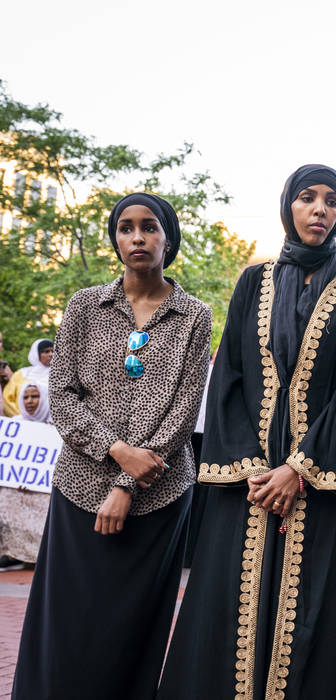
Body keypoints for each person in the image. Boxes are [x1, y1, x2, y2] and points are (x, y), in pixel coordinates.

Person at [158, 165, 336, 700]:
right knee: (232, 609)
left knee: (311, 620)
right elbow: (228, 377)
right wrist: (255, 468)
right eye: (308, 198)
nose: (321, 210)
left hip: (323, 482)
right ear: (288, 206)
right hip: (248, 483)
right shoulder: (253, 280)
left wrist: (298, 469)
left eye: (332, 200)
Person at [12, 192, 211, 699]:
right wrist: (117, 453)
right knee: (69, 618)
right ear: (115, 239)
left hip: (159, 493)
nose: (137, 237)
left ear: (169, 237)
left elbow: (184, 409)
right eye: (126, 228)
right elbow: (65, 393)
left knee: (131, 625)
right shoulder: (85, 305)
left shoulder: (195, 315)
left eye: (149, 227)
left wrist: (127, 484)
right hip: (80, 486)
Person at [0, 383, 54, 568]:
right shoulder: (14, 423)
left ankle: (39, 553)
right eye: (26, 397)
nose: (30, 401)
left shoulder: (54, 426)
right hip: (16, 486)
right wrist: (18, 479)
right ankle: (13, 553)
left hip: (45, 489)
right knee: (7, 496)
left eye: (35, 396)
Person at [2, 338, 53, 417]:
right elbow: (7, 398)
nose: (51, 354)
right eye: (46, 351)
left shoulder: (61, 377)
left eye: (53, 351)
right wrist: (24, 418)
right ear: (36, 354)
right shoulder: (22, 374)